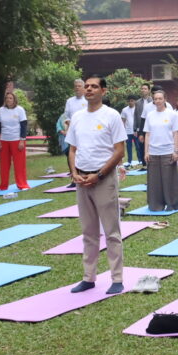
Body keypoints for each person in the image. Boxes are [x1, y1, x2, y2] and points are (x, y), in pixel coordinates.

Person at [65, 75, 127, 294]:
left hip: (103, 179)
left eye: (94, 87)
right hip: (81, 179)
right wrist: (74, 172)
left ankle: (117, 278)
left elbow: (119, 151)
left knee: (111, 231)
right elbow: (72, 149)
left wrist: (99, 175)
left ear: (103, 91)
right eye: (87, 87)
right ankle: (88, 277)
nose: (89, 89)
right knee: (88, 232)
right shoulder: (78, 117)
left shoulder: (112, 115)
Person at [143, 89, 178, 213]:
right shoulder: (150, 115)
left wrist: (175, 151)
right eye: (155, 99)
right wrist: (146, 152)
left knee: (169, 180)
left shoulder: (171, 114)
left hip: (168, 151)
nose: (157, 101)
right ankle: (156, 204)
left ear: (165, 100)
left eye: (160, 98)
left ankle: (172, 203)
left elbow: (175, 134)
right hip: (153, 152)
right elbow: (147, 135)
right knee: (154, 181)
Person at [0, 90, 29, 190]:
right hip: (4, 140)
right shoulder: (1, 110)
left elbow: (23, 126)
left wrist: (22, 140)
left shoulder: (20, 110)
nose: (8, 100)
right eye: (7, 98)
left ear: (14, 100)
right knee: (4, 164)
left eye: (10, 98)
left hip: (17, 139)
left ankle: (22, 185)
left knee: (19, 164)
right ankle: (3, 185)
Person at [133, 82, 153, 167]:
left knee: (150, 144)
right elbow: (136, 115)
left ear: (148, 90)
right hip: (141, 127)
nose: (143, 90)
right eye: (142, 89)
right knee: (141, 145)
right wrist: (135, 128)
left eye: (145, 89)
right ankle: (144, 163)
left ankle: (151, 161)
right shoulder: (137, 102)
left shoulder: (152, 101)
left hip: (150, 126)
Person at [120, 96, 141, 167]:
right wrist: (122, 131)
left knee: (138, 147)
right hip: (128, 132)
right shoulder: (124, 110)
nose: (130, 102)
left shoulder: (138, 109)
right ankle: (129, 161)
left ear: (135, 101)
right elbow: (123, 121)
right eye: (129, 101)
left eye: (132, 100)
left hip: (136, 131)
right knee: (129, 147)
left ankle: (140, 160)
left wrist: (138, 130)